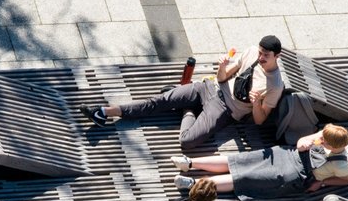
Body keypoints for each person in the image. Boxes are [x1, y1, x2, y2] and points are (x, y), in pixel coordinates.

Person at [81, 35, 286, 149]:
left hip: (225, 110)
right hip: (209, 87)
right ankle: (104, 112)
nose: (260, 57)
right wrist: (223, 66)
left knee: (187, 141)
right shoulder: (251, 52)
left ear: (276, 56)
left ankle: (187, 107)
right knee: (159, 100)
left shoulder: (275, 85)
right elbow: (223, 78)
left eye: (265, 55)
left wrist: (257, 103)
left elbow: (259, 120)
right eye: (260, 52)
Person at [172, 124, 348, 198]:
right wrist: (303, 143)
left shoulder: (339, 164)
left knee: (245, 176)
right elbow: (301, 142)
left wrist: (322, 182)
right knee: (240, 160)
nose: (320, 140)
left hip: (293, 174)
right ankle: (190, 163)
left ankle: (194, 183)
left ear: (331, 146)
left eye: (324, 142)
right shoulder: (327, 134)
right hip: (288, 154)